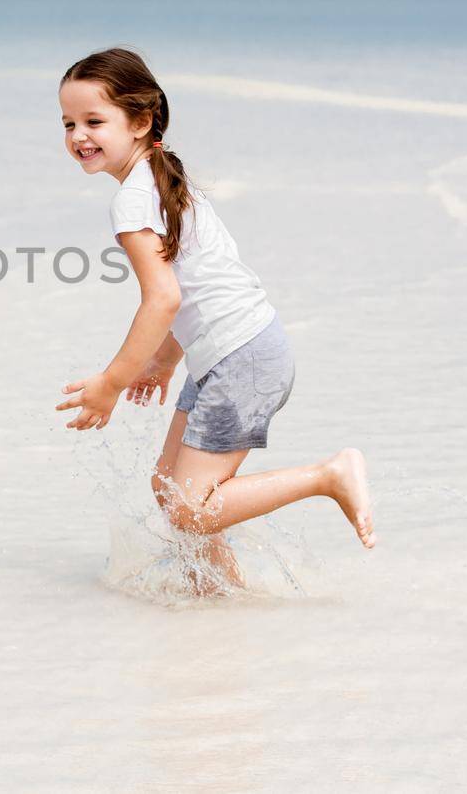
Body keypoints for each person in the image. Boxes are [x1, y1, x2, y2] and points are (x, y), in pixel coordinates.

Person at [53, 47, 375, 593]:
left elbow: (163, 300)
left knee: (187, 509)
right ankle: (219, 596)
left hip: (240, 358)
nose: (79, 135)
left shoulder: (134, 202)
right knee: (168, 488)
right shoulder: (160, 175)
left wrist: (111, 383)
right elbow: (197, 283)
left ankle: (330, 476)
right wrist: (163, 360)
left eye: (94, 121)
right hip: (235, 352)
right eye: (68, 123)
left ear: (141, 122)